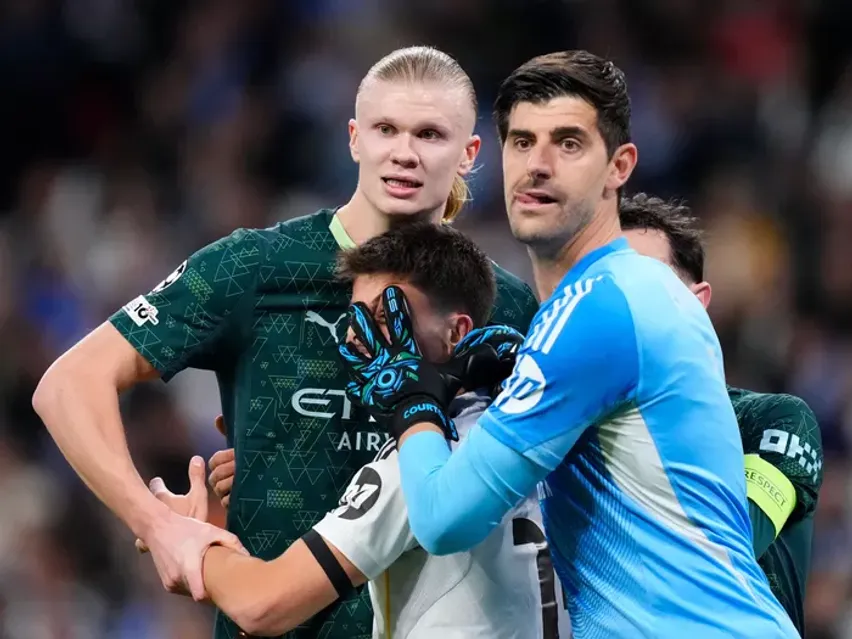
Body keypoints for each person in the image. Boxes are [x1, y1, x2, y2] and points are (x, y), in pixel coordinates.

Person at [31, 46, 539, 639]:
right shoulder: (257, 266)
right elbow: (68, 385)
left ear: (470, 153)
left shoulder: (504, 307)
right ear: (354, 139)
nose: (404, 152)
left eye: (429, 134)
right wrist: (160, 526)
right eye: (385, 129)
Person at [336, 50, 799, 637]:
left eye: (569, 143)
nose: (538, 165)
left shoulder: (597, 309)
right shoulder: (637, 288)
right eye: (521, 142)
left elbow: (443, 519)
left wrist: (412, 399)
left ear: (619, 167)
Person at [150, 222, 569, 638]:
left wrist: (184, 539)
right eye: (357, 319)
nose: (361, 338)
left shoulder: (420, 464)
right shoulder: (539, 427)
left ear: (457, 332)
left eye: (387, 317)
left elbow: (263, 605)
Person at [619, 192, 823, 635]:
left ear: (697, 301)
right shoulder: (572, 434)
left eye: (648, 285)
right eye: (608, 289)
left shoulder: (773, 422)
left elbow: (724, 550)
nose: (626, 307)